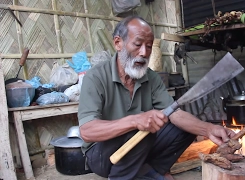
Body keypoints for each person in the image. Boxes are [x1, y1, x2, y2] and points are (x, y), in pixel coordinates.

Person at [78, 15, 235, 180]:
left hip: (136, 149)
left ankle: (153, 170)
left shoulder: (151, 77)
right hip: (102, 156)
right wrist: (134, 121)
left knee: (187, 127)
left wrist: (208, 129)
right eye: (137, 45)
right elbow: (87, 131)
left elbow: (175, 114)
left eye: (149, 46)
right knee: (140, 131)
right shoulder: (95, 77)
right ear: (118, 43)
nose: (144, 53)